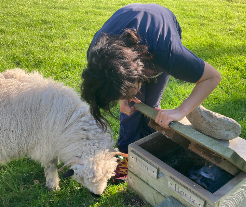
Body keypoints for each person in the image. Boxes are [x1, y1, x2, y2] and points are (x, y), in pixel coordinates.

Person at [81, 4, 221, 180]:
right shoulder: (97, 57)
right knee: (131, 111)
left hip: (159, 31)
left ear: (138, 75)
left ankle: (147, 157)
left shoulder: (168, 54)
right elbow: (110, 85)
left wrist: (181, 111)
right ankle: (125, 161)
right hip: (129, 22)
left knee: (150, 107)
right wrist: (122, 98)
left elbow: (212, 77)